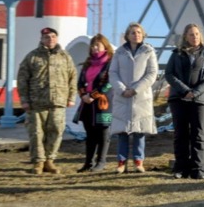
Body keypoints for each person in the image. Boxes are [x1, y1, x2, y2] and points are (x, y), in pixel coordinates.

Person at [164, 23, 204, 179]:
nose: (194, 37)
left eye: (197, 34)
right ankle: (181, 169)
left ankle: (198, 170)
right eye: (191, 34)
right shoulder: (176, 54)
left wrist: (195, 92)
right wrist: (185, 90)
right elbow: (169, 74)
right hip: (179, 99)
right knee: (180, 134)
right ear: (185, 37)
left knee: (198, 134)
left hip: (200, 100)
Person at [17, 27, 77, 175]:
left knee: (56, 131)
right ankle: (38, 162)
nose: (50, 39)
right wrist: (24, 100)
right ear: (42, 39)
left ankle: (50, 160)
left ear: (57, 38)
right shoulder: (32, 57)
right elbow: (22, 79)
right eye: (47, 37)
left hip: (58, 101)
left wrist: (71, 97)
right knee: (36, 133)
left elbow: (72, 76)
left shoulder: (64, 56)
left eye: (53, 36)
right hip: (36, 102)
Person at [109, 22, 158, 174]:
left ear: (143, 34)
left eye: (138, 32)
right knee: (122, 132)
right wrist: (122, 89)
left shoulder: (148, 51)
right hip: (122, 97)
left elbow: (152, 73)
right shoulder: (119, 52)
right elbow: (113, 72)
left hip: (141, 97)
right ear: (127, 35)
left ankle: (138, 161)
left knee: (139, 131)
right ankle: (121, 162)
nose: (136, 35)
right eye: (133, 32)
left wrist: (136, 89)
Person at [76, 33, 114, 173]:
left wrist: (93, 95)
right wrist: (83, 95)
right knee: (90, 134)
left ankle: (101, 162)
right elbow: (80, 82)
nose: (94, 48)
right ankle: (88, 163)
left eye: (97, 45)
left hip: (103, 104)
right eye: (92, 45)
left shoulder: (111, 63)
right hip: (87, 104)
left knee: (103, 133)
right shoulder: (87, 64)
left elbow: (109, 83)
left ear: (105, 46)